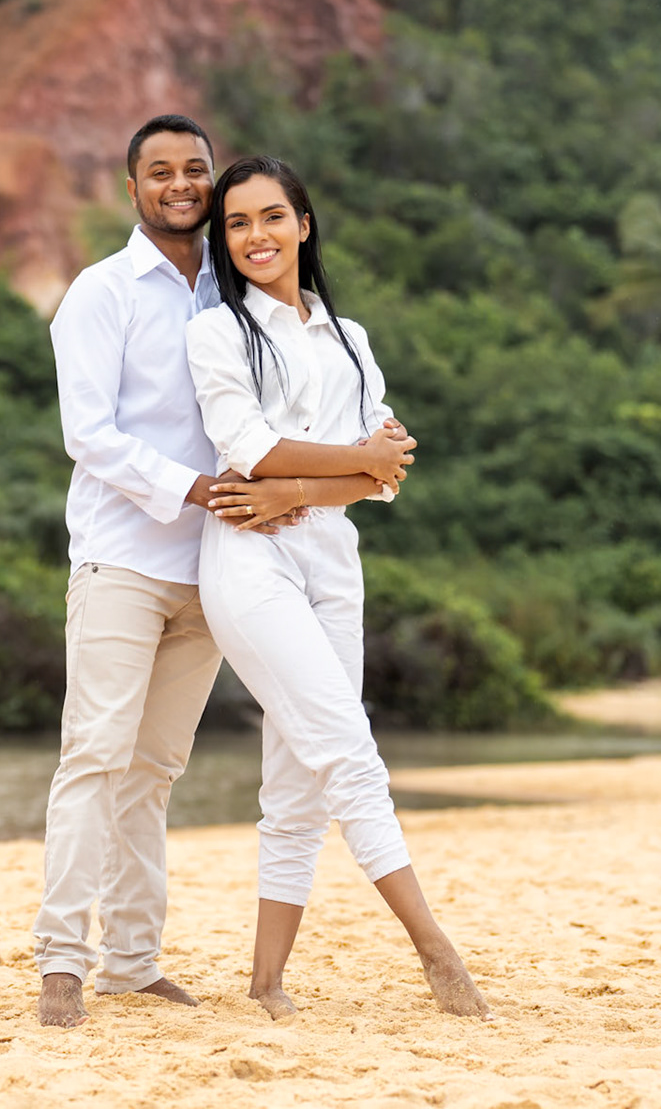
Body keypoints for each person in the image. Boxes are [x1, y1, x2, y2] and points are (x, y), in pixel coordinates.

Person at [186, 155, 490, 1021]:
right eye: (237, 224)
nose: (256, 237)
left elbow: (387, 475)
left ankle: (266, 983)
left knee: (299, 782)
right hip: (248, 560)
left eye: (272, 217)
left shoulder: (350, 340)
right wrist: (350, 461)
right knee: (349, 753)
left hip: (331, 559)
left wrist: (303, 488)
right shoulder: (217, 333)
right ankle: (437, 954)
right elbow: (248, 448)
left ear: (304, 224)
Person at [32, 114, 243, 1028]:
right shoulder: (101, 291)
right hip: (121, 558)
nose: (181, 184)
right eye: (161, 172)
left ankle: (132, 961)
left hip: (217, 571)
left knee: (153, 771)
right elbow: (89, 434)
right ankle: (60, 962)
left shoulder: (235, 298)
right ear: (133, 188)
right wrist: (193, 488)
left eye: (195, 169)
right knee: (94, 755)